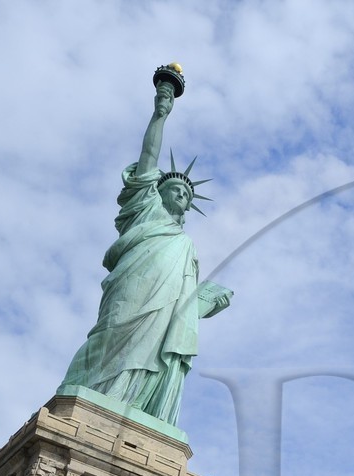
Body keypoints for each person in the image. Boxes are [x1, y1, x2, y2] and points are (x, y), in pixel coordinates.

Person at [58, 73, 233, 426]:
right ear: (158, 191)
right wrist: (161, 113)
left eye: (187, 194)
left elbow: (182, 306)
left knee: (157, 349)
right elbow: (149, 155)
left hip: (164, 308)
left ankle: (138, 413)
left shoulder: (187, 246)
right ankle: (87, 397)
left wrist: (205, 299)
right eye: (175, 189)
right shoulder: (145, 209)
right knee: (109, 338)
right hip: (131, 289)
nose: (181, 195)